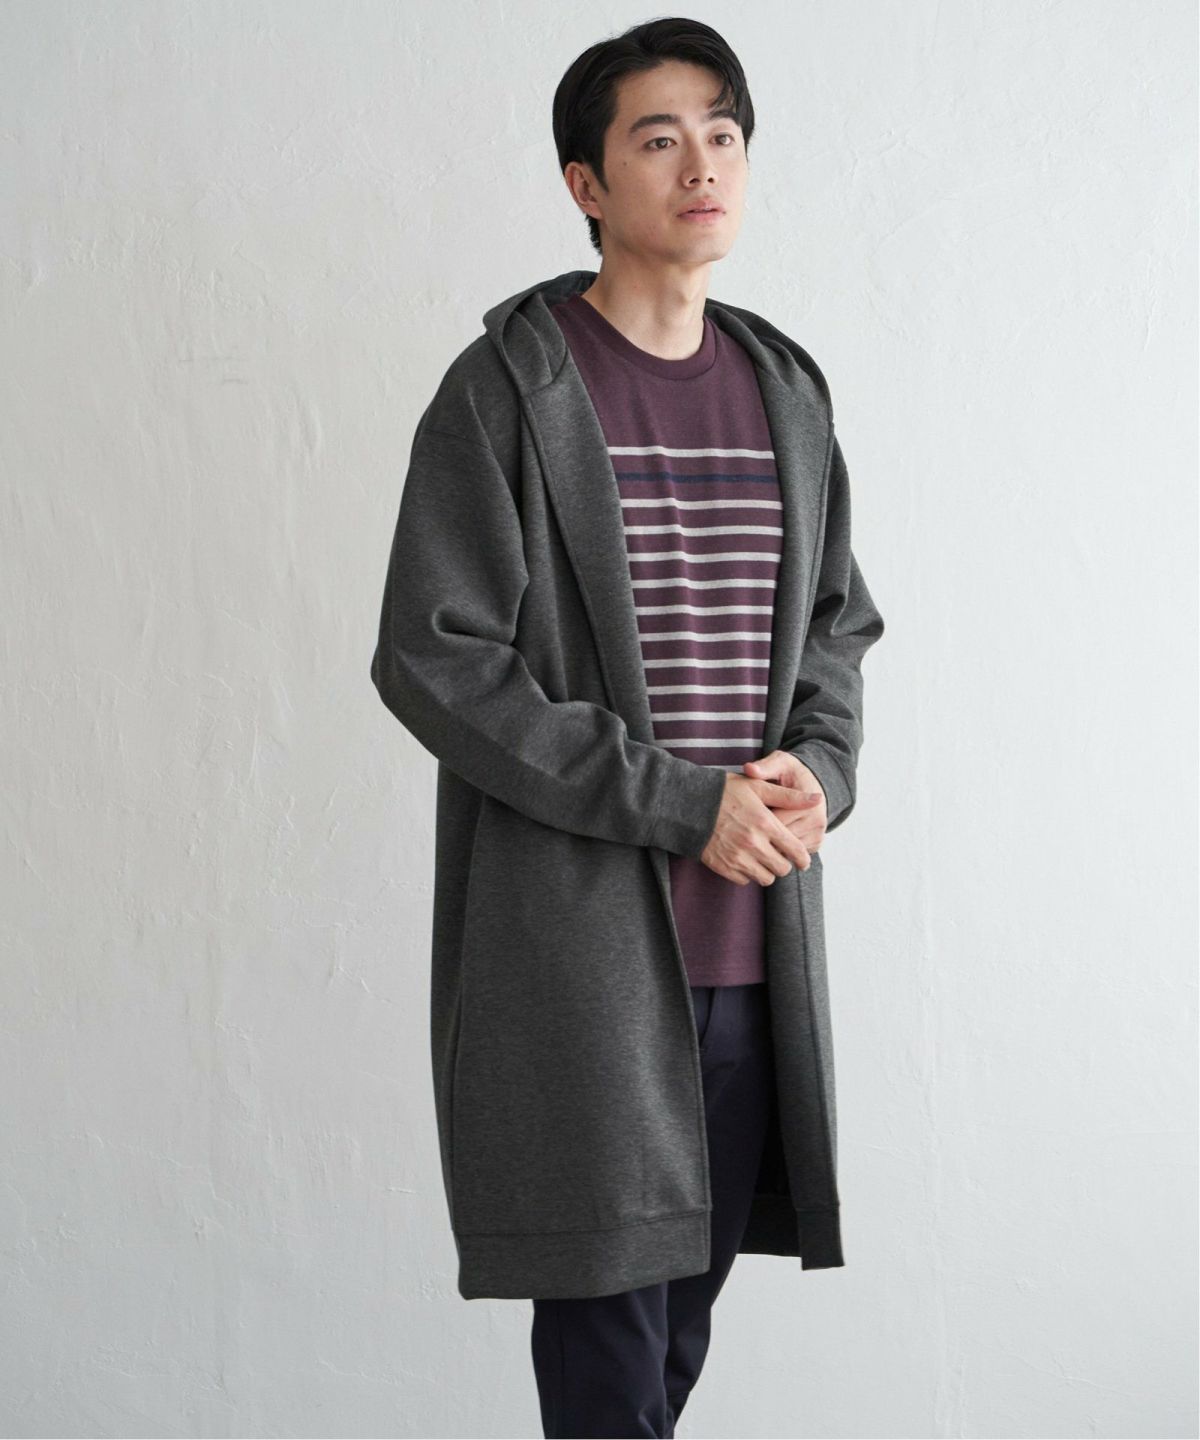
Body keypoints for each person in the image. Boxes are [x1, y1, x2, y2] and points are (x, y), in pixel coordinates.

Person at [370, 17, 885, 1438]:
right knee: (608, 1357)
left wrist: (820, 770)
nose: (702, 164)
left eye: (723, 134)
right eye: (659, 139)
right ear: (586, 183)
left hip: (753, 949)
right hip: (585, 960)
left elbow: (837, 628)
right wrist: (683, 804)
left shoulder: (786, 390)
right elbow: (433, 658)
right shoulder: (508, 393)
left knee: (670, 1351)